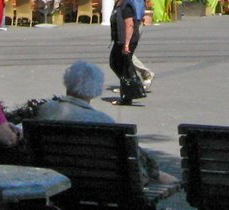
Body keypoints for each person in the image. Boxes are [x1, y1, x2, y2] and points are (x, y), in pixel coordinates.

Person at [38, 61, 177, 185]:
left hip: (58, 178)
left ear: (67, 82)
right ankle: (162, 177)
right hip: (99, 184)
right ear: (96, 90)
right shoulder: (102, 121)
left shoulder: (46, 109)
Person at [108, 0, 144, 105]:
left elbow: (129, 25)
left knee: (124, 66)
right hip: (119, 40)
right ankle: (131, 86)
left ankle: (128, 95)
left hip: (127, 40)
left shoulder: (126, 4)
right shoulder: (119, 3)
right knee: (115, 63)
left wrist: (127, 44)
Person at [121, 0, 155, 88]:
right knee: (126, 53)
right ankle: (129, 82)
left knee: (126, 53)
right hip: (133, 24)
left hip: (134, 25)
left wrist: (132, 25)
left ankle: (145, 73)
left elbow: (136, 11)